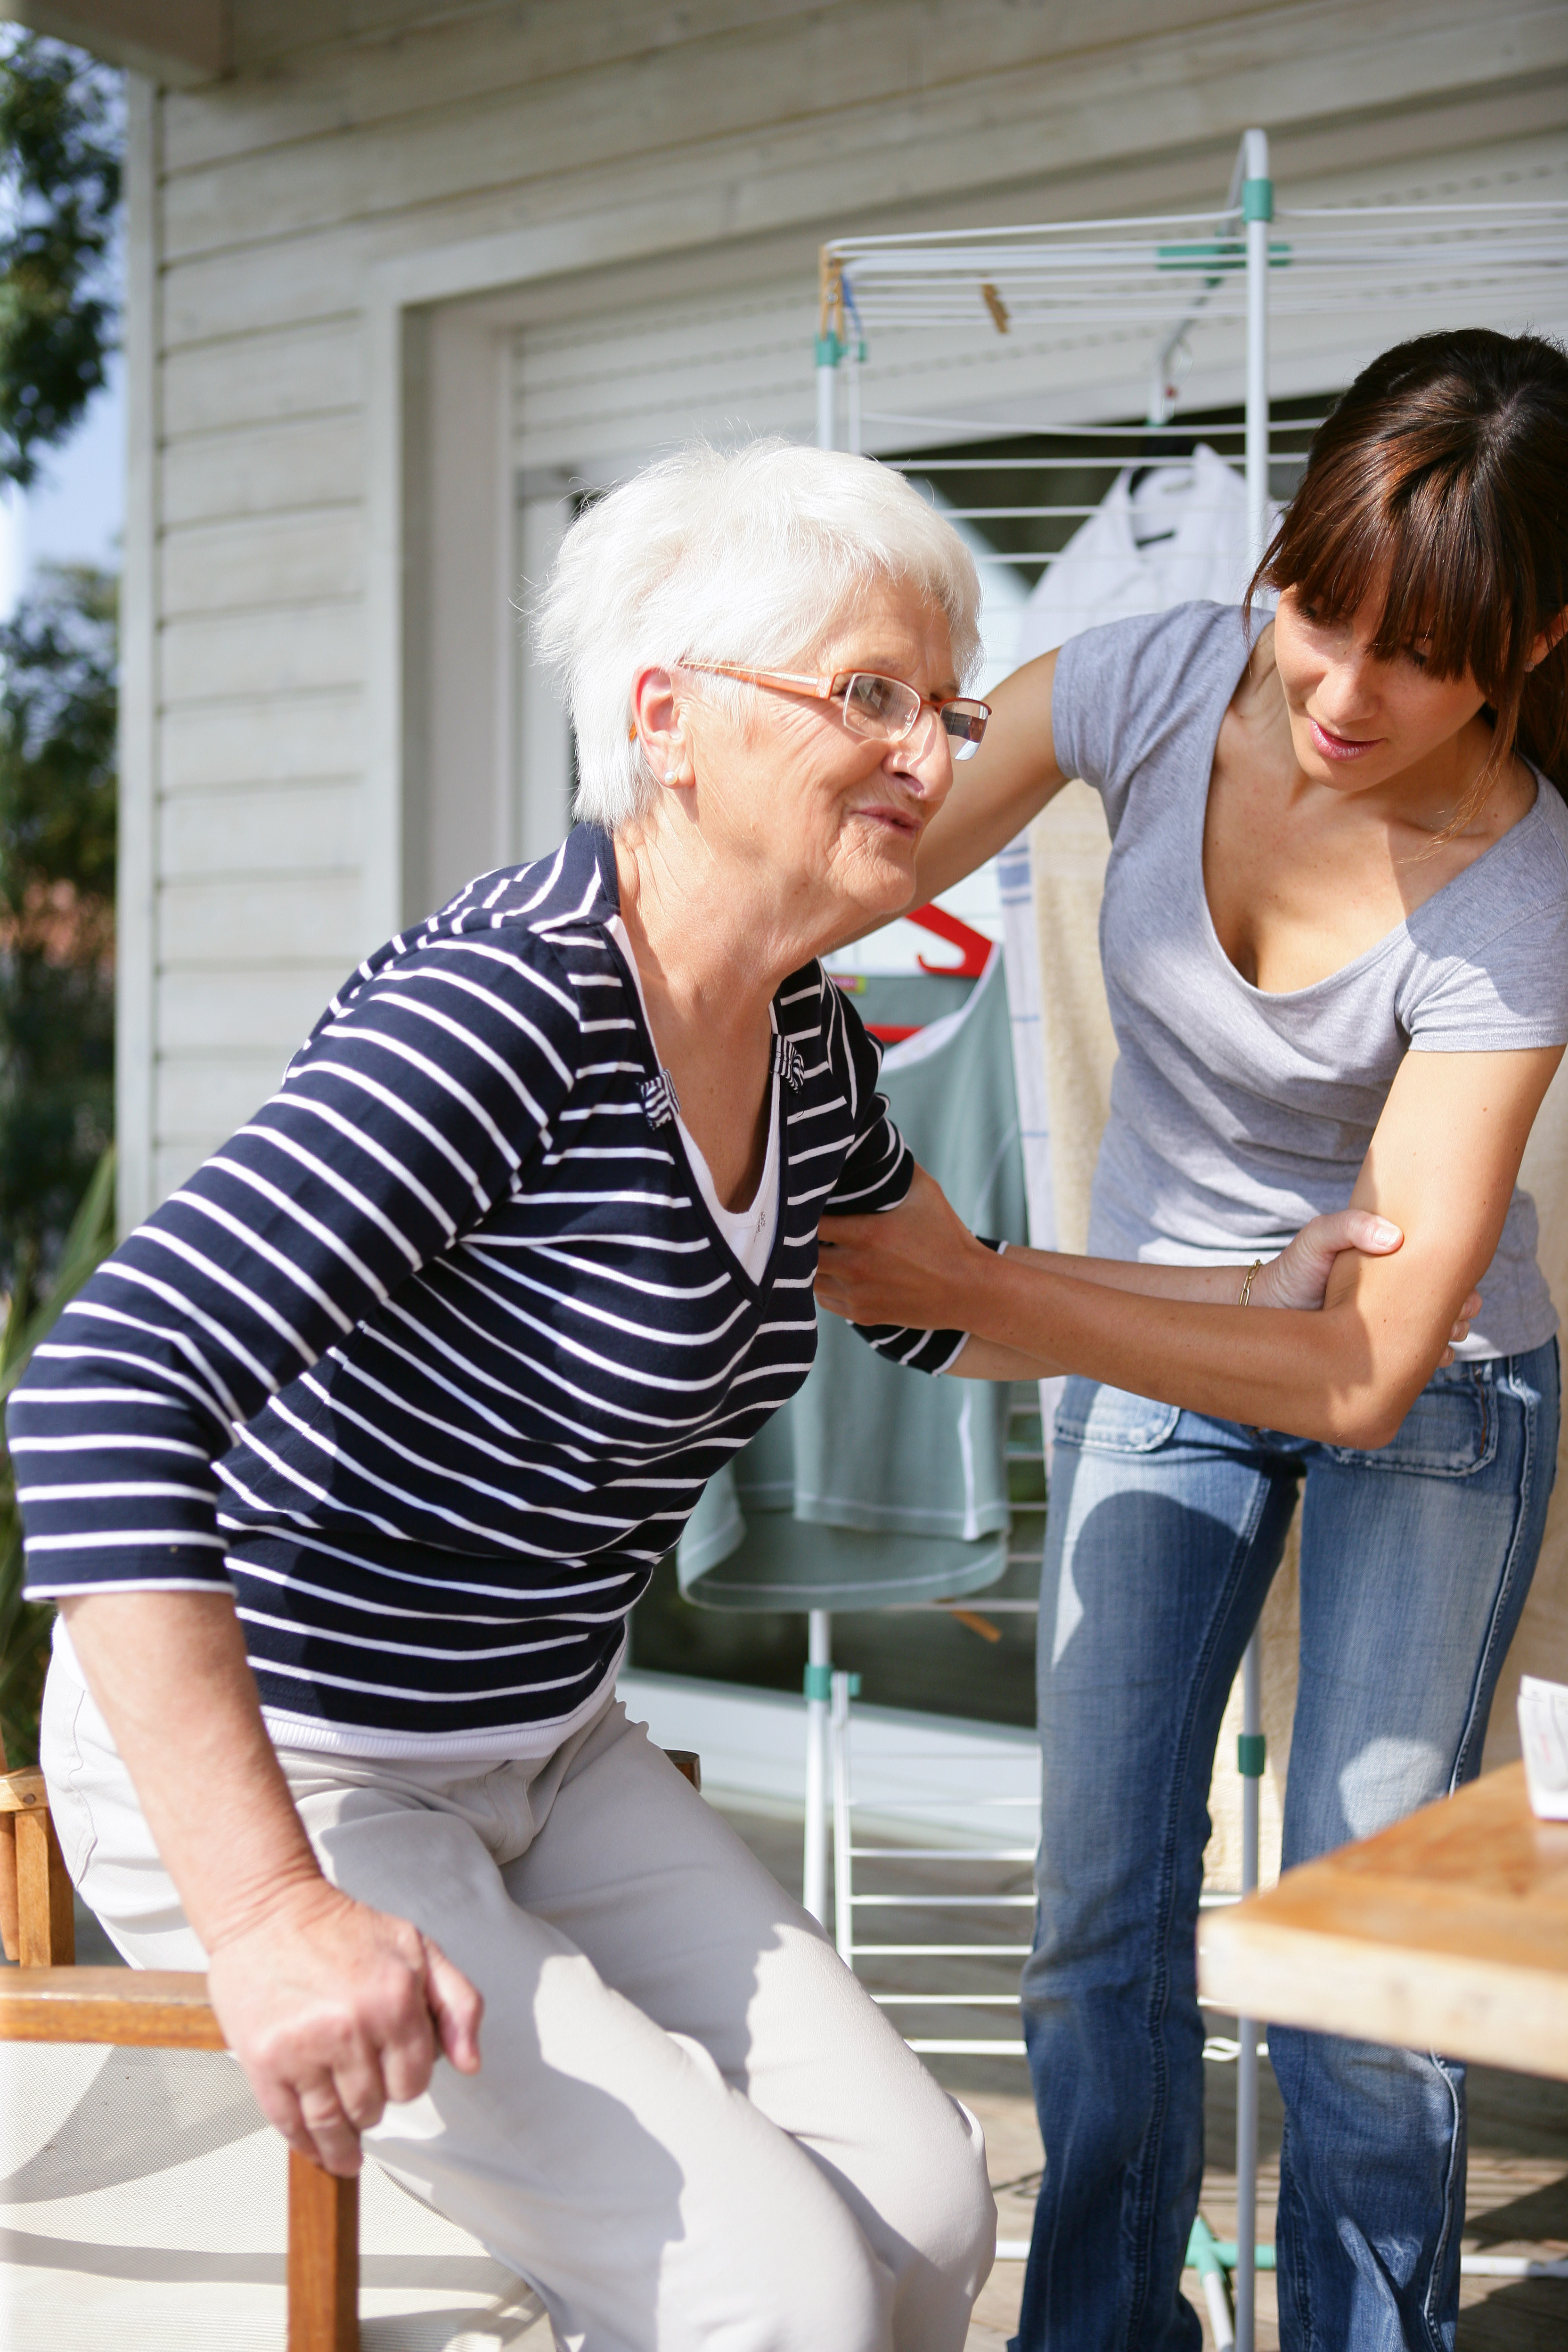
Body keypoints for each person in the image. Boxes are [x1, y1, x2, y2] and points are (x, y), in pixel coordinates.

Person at [9, 439, 1413, 2352]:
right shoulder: (504, 1010)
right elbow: (100, 1393)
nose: (932, 753)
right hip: (313, 1765)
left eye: (942, 698)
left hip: (546, 1743)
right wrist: (268, 1918)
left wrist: (1231, 1294)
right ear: (666, 719)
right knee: (785, 2295)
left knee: (924, 2220)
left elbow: (953, 1308)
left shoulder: (801, 1042)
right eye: (867, 697)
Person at [814, 328, 1568, 2352]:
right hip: (1156, 1328)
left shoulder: (1522, 895)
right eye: (1317, 607)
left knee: (1361, 1962)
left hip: (1426, 1390)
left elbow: (1363, 1364)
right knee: (1094, 1926)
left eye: (1411, 657)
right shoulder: (1156, 676)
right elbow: (838, 867)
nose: (1333, 691)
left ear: (1531, 640)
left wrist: (981, 1290)